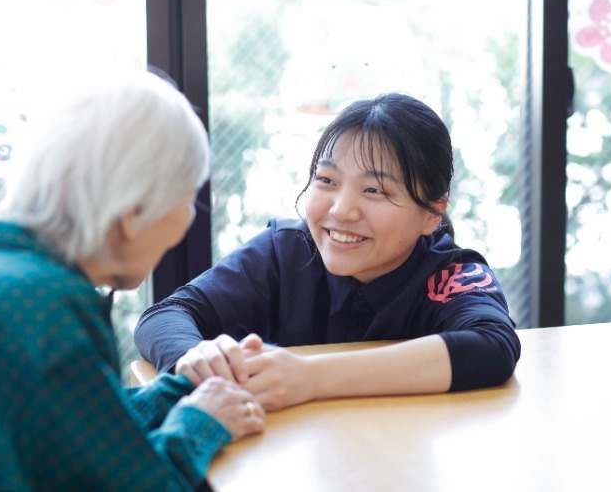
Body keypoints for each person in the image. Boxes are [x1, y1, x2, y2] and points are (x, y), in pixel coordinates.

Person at [0, 72, 265, 490]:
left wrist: (180, 390)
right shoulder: (43, 313)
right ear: (133, 210)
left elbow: (73, 432)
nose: (188, 219)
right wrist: (200, 423)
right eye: (186, 199)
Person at [135, 93, 521, 411]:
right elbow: (166, 315)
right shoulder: (285, 251)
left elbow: (493, 347)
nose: (340, 210)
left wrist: (311, 377)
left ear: (433, 213)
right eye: (327, 180)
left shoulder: (450, 274)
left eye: (375, 190)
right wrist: (197, 357)